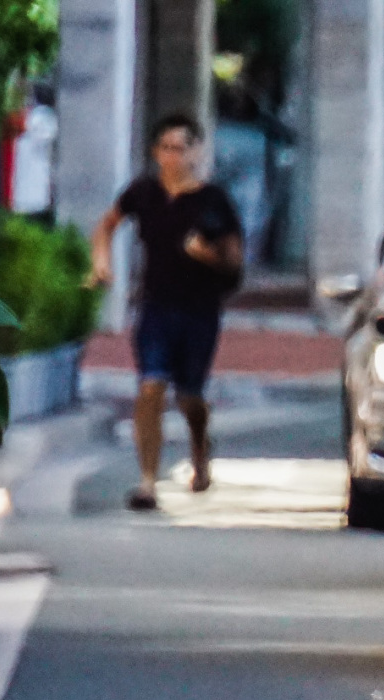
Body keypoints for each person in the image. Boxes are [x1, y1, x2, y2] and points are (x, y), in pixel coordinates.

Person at [88, 114, 244, 509]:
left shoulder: (213, 200)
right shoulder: (144, 192)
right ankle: (147, 482)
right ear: (156, 152)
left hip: (199, 310)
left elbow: (234, 262)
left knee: (190, 397)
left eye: (181, 148)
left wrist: (206, 255)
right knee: (150, 387)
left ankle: (199, 446)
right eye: (166, 148)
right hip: (155, 305)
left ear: (196, 152)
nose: (173, 156)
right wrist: (101, 262)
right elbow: (107, 224)